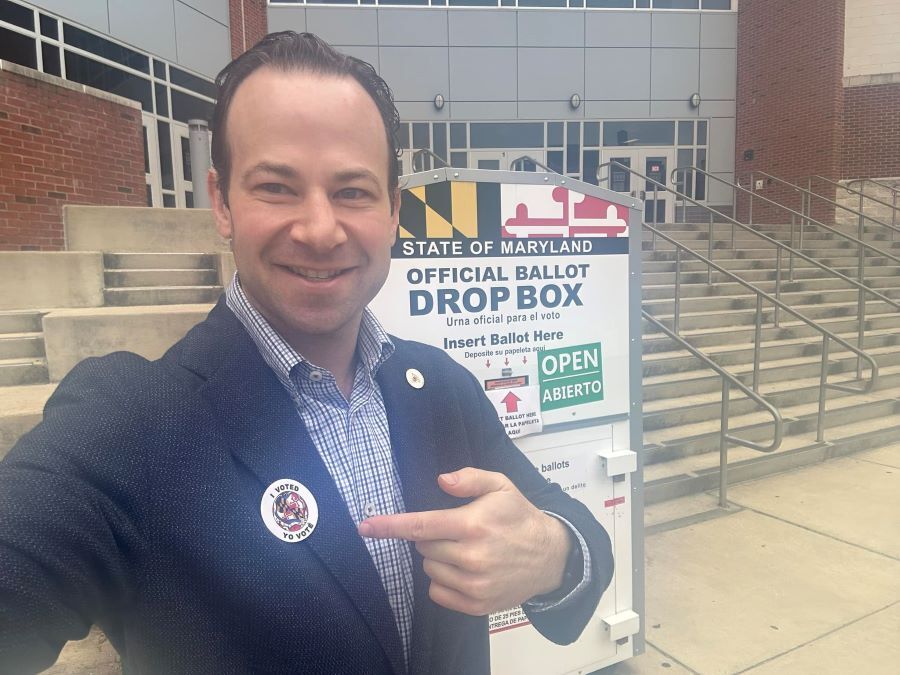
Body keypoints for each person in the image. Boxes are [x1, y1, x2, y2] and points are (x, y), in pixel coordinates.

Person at [0, 32, 613, 674]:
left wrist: (552, 552)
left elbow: (581, 534)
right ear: (221, 201)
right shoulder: (131, 421)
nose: (320, 230)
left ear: (392, 209)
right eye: (276, 186)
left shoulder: (440, 386)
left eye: (353, 191)